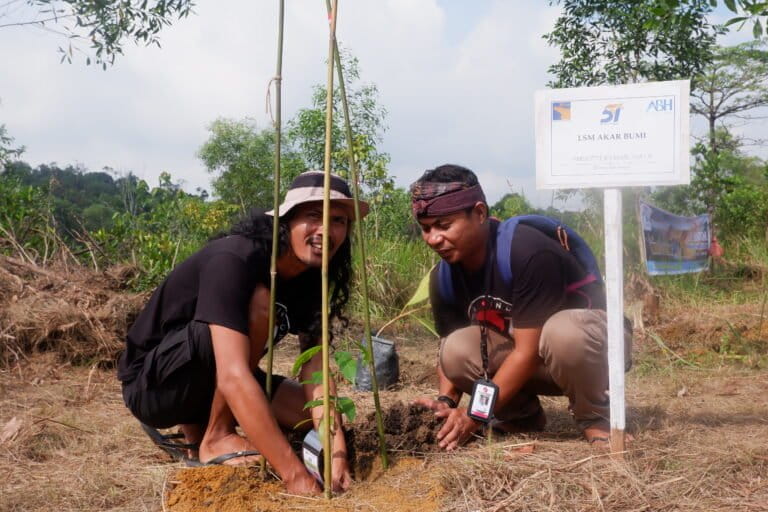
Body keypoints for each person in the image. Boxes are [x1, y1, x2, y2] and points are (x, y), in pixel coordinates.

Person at [118, 171, 366, 494]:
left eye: (337, 221)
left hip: (210, 381)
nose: (325, 230)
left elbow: (316, 372)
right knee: (260, 302)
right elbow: (234, 376)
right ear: (286, 221)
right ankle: (216, 434)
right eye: (312, 217)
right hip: (155, 387)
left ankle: (201, 432)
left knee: (308, 418)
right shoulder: (235, 259)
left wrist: (336, 451)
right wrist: (295, 476)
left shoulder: (311, 277)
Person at [411, 164, 632, 451]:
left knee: (563, 332)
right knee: (453, 349)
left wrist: (475, 414)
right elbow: (448, 351)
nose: (433, 239)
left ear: (479, 214)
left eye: (444, 226)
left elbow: (526, 353)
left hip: (594, 351)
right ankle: (520, 416)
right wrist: (445, 404)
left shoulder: (526, 251)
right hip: (533, 361)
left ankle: (596, 417)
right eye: (426, 229)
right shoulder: (443, 277)